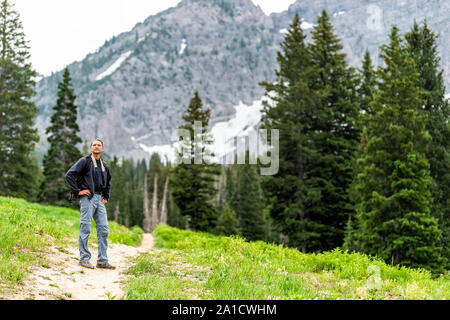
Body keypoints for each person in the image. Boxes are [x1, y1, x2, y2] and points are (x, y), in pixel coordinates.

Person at [65, 138, 115, 269]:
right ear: (91, 148)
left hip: (100, 199)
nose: (97, 147)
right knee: (85, 228)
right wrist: (78, 191)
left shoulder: (104, 165)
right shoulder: (84, 161)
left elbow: (108, 182)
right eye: (94, 145)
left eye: (99, 145)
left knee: (104, 229)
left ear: (102, 149)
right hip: (88, 199)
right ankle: (84, 259)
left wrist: (106, 196)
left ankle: (102, 260)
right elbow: (69, 175)